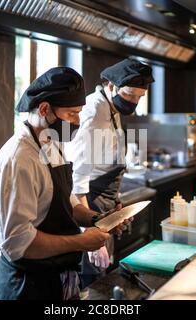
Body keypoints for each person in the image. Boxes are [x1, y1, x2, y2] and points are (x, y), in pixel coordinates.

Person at [0, 67, 130, 300]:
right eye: (72, 113)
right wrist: (81, 242)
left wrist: (98, 219)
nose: (78, 121)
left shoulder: (50, 144)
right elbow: (19, 243)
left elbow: (67, 202)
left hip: (56, 278)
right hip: (27, 286)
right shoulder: (18, 160)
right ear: (44, 109)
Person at [66, 58, 154, 287]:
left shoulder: (111, 107)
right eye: (129, 95)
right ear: (111, 86)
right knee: (93, 277)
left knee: (103, 271)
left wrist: (114, 200)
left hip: (105, 200)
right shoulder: (93, 113)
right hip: (88, 204)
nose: (134, 101)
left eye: (139, 97)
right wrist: (89, 233)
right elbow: (77, 179)